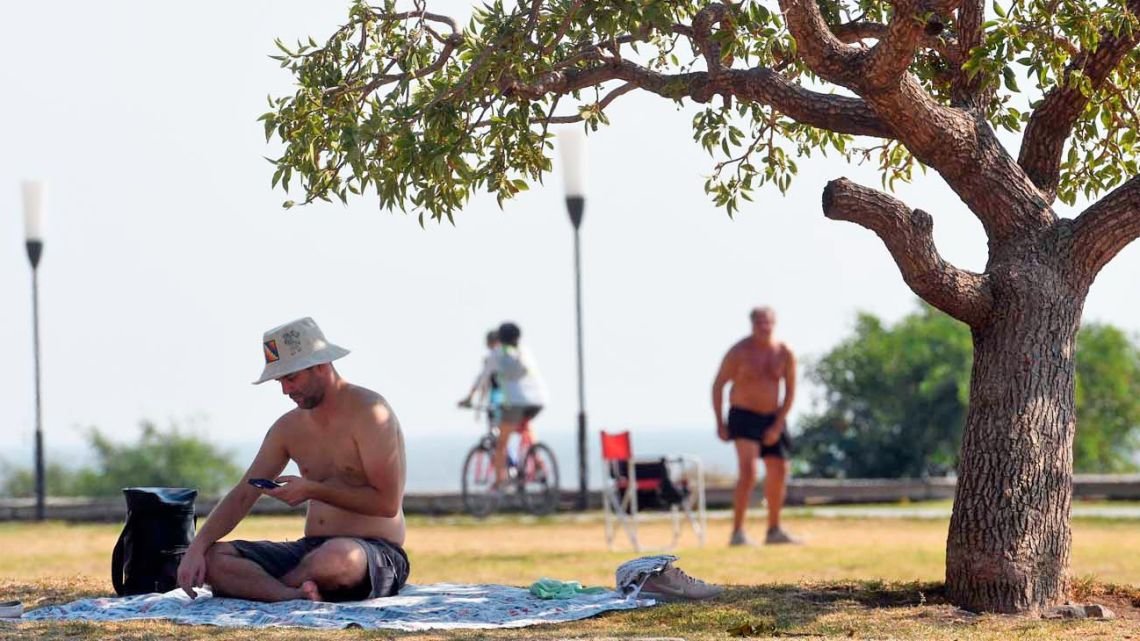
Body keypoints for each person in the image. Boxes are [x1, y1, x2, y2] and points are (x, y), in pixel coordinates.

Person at [176, 317, 410, 602]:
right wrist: (197, 548)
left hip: (373, 552)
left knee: (337, 559)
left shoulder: (371, 412)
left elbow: (386, 504)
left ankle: (270, 588)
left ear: (321, 366)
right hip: (308, 549)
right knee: (214, 557)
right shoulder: (288, 427)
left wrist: (312, 489)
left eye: (291, 378)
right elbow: (243, 494)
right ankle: (294, 594)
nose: (285, 390)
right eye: (280, 381)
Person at [712, 306, 798, 545]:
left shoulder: (784, 352)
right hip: (743, 416)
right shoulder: (739, 352)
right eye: (760, 322)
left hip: (772, 417)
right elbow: (718, 385)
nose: (764, 327)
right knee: (748, 473)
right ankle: (737, 533)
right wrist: (720, 422)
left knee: (779, 471)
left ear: (774, 323)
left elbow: (791, 390)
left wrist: (777, 424)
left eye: (768, 322)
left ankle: (774, 530)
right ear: (752, 324)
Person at [458, 321, 547, 489]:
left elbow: (482, 379)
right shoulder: (525, 352)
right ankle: (538, 463)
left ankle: (500, 481)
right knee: (526, 426)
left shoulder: (497, 355)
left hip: (514, 403)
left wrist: (469, 399)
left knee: (501, 444)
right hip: (538, 400)